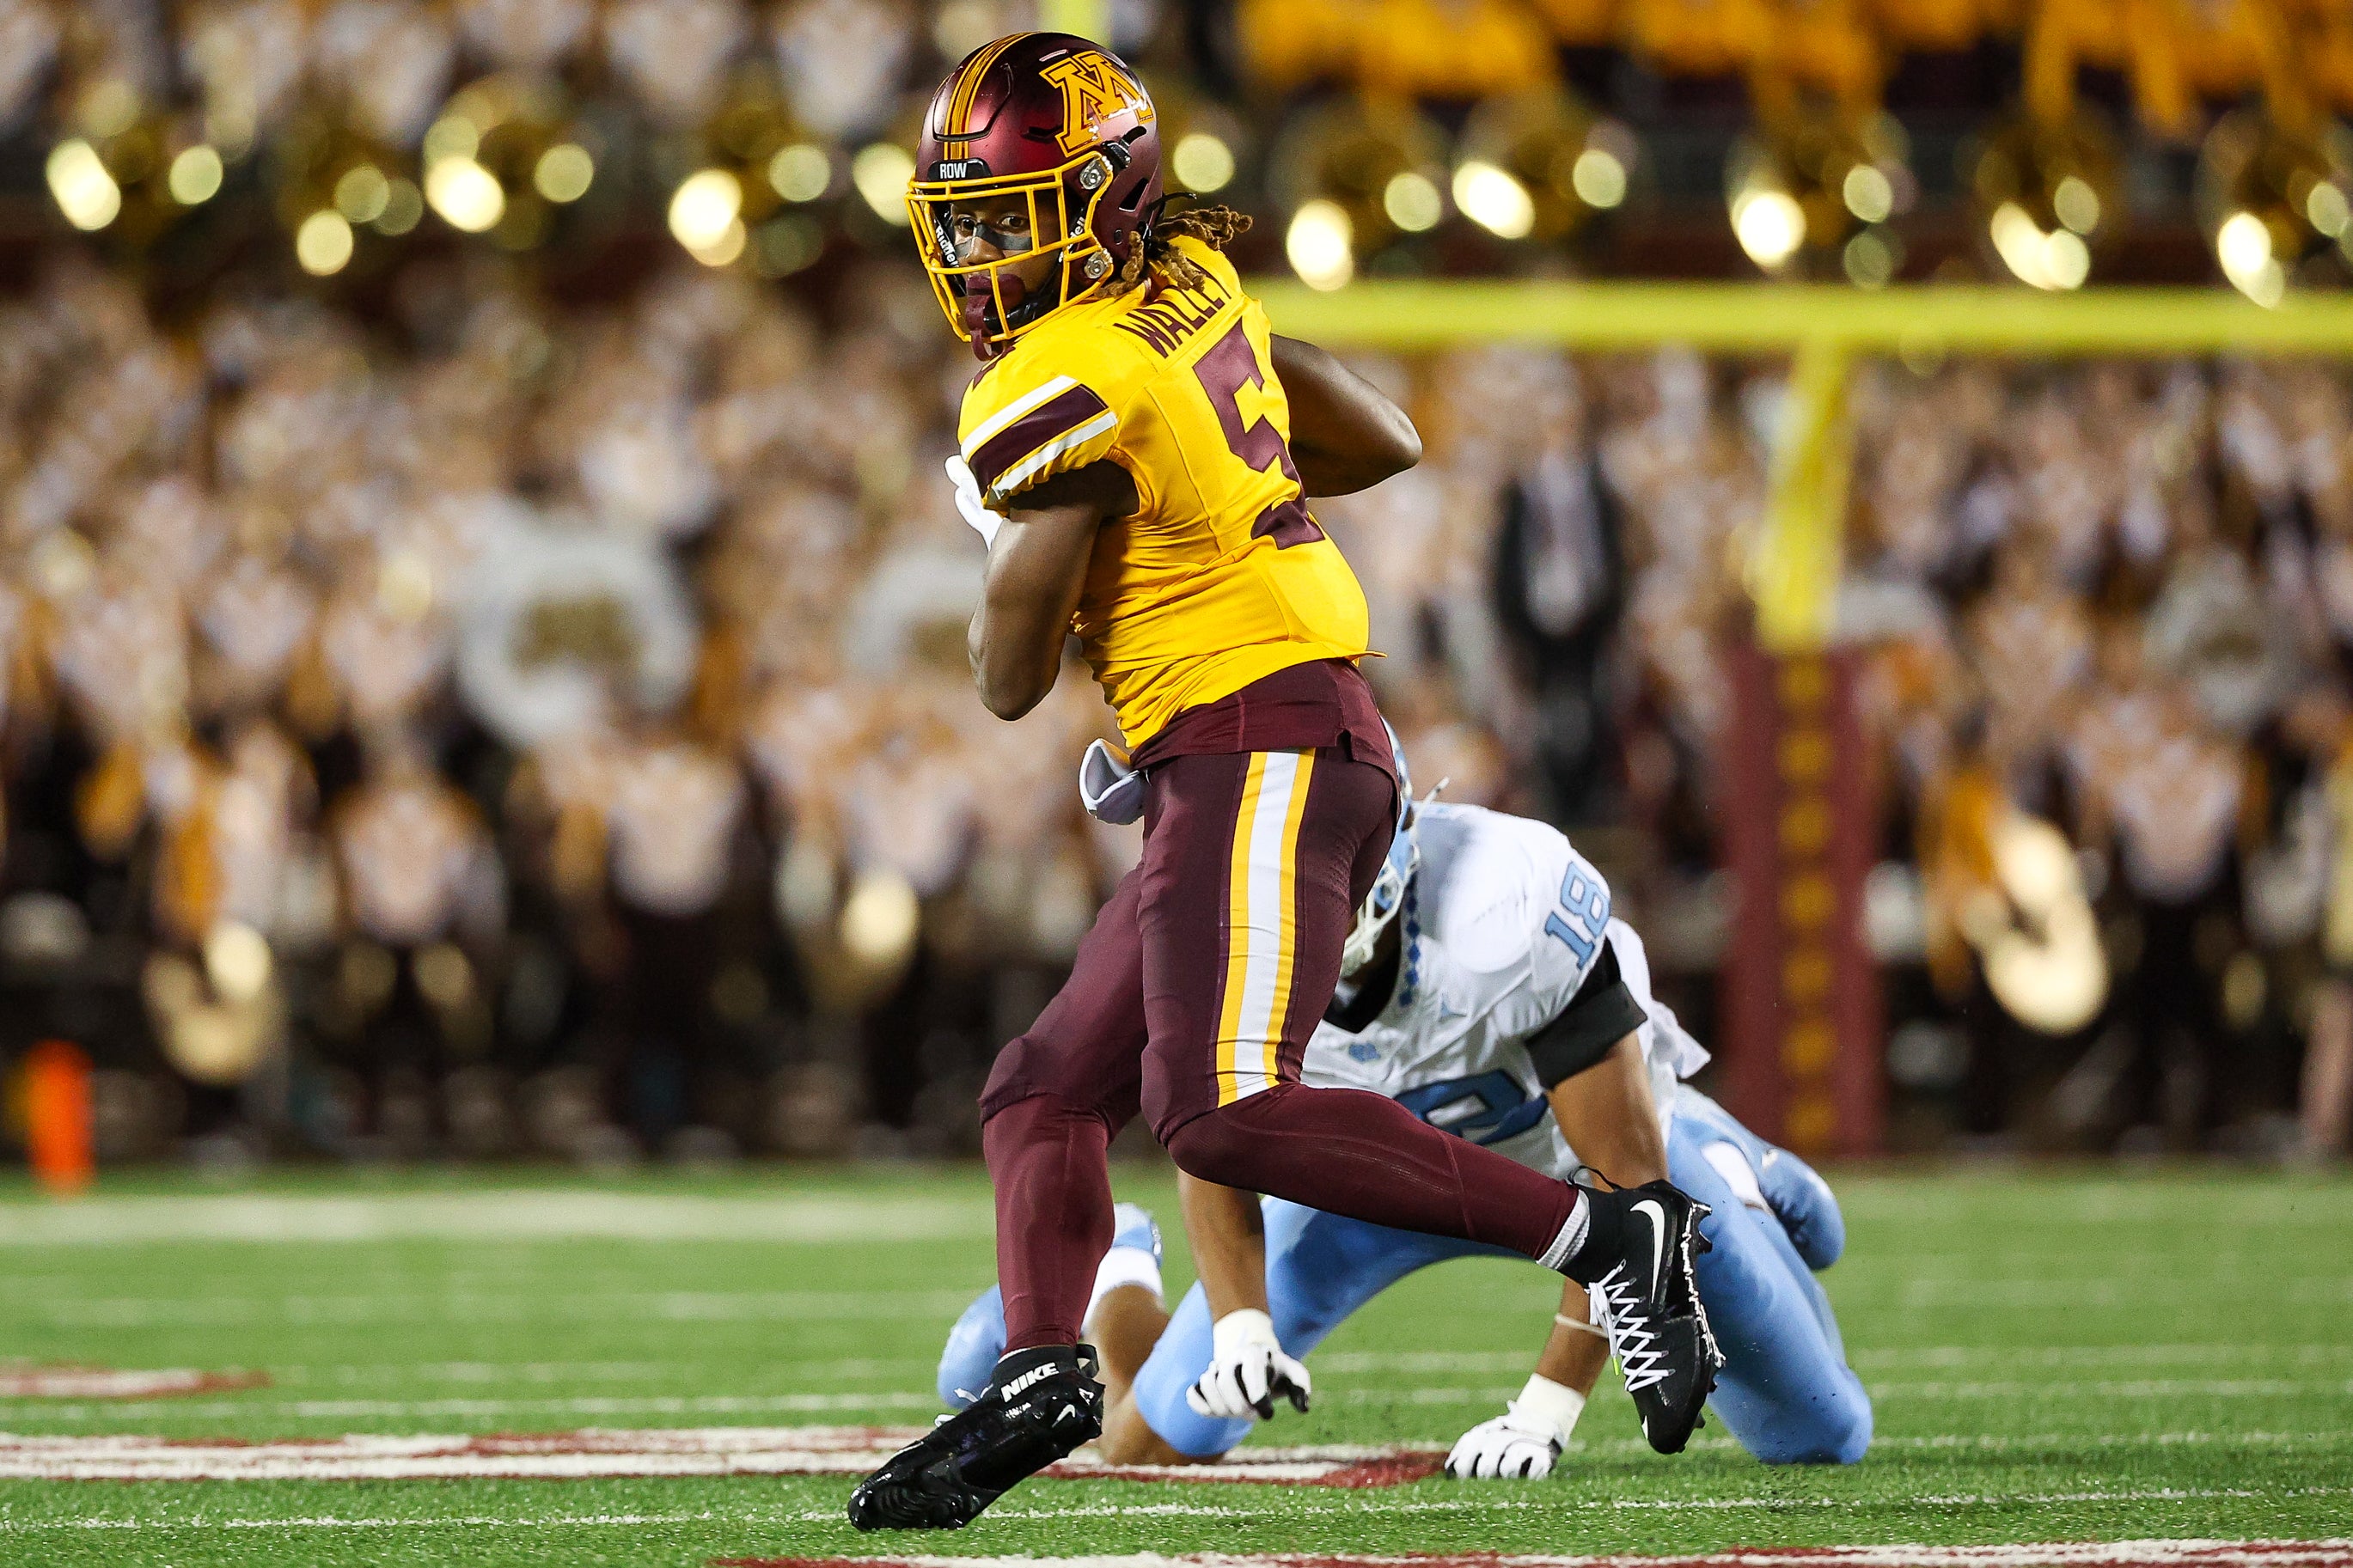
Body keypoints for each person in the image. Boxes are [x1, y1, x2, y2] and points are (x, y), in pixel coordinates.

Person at [848, 33, 1720, 1531]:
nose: (986, 249)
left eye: (1012, 212)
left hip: (1253, 734)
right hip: (1251, 734)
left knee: (1221, 1110)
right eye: (971, 218)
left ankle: (1608, 1236)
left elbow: (1003, 682)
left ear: (1105, 198)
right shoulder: (1179, 287)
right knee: (1043, 1087)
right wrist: (1209, 476)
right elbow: (1377, 434)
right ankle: (1048, 1370)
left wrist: (1029, 524)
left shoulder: (1067, 370)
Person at [933, 771, 1872, 1477]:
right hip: (1360, 1194)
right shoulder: (1205, 920)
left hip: (1564, 1160)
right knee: (1144, 1445)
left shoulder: (1503, 906)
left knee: (1819, 1434)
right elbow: (1207, 1130)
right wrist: (1239, 1324)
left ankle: (1716, 1146)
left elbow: (1623, 1188)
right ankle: (1115, 1272)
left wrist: (1546, 1406)